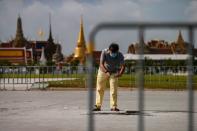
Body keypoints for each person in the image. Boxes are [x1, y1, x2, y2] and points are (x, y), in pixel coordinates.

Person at [93, 43, 125, 111]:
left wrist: (120, 73)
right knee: (100, 88)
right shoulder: (104, 52)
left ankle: (113, 106)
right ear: (109, 50)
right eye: (111, 52)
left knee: (113, 90)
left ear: (117, 51)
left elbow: (123, 66)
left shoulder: (120, 55)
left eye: (114, 52)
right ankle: (98, 105)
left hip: (114, 72)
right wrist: (106, 72)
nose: (113, 54)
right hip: (103, 70)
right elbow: (101, 64)